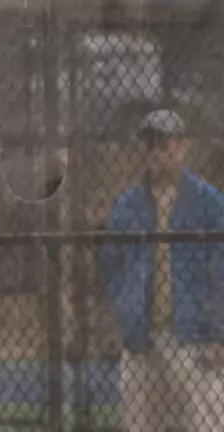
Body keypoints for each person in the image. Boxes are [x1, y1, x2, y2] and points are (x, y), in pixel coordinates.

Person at [101, 109, 224, 432]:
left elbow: (221, 269)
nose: (156, 152)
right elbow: (111, 264)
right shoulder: (127, 205)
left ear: (182, 147)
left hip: (193, 334)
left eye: (164, 144)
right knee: (139, 423)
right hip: (142, 335)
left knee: (209, 422)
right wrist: (126, 311)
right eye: (150, 145)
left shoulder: (208, 202)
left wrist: (218, 333)